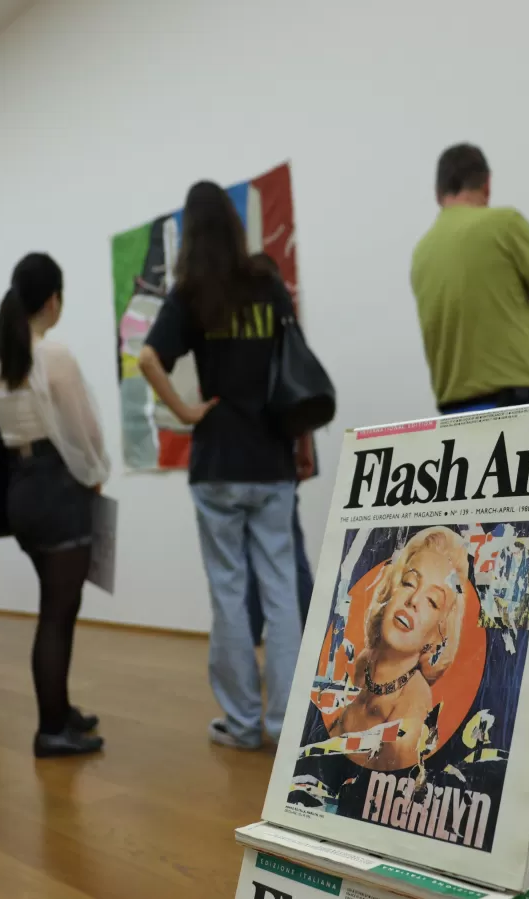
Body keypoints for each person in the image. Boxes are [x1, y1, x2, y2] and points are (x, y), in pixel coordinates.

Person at [138, 181, 309, 752]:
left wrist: (185, 409)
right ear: (235, 228)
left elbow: (146, 356)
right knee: (281, 593)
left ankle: (242, 725)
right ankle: (287, 724)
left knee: (230, 595)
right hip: (270, 460)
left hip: (216, 462)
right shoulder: (267, 283)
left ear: (190, 232)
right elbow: (295, 362)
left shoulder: (190, 293)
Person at [0, 252, 110, 759]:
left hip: (21, 493)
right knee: (58, 614)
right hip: (58, 492)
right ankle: (50, 729)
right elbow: (84, 432)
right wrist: (97, 475)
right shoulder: (53, 356)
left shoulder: (5, 360)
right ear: (53, 299)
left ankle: (60, 711)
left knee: (53, 607)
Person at [411, 144, 529, 416]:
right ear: (487, 185)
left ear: (437, 193)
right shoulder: (505, 224)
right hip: (514, 409)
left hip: (453, 418)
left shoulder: (422, 253)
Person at [329, 527, 467, 772]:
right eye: (409, 582)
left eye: (432, 601)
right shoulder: (363, 662)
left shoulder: (410, 718)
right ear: (391, 591)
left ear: (437, 637)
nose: (413, 600)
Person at [242, 253, 316, 645]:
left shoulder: (245, 337)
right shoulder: (283, 333)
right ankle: (305, 637)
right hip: (274, 458)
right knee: (282, 552)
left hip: (254, 460)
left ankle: (264, 637)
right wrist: (303, 449)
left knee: (267, 553)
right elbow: (301, 398)